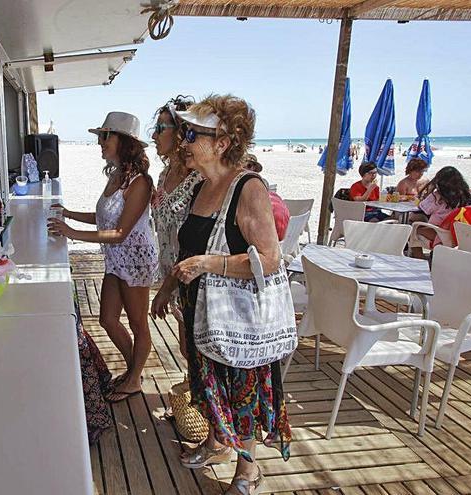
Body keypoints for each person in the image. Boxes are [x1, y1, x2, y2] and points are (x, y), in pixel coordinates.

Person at [151, 95, 290, 494]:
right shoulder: (202, 186)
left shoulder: (248, 188)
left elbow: (269, 260)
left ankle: (249, 473)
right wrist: (167, 288)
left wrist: (210, 264)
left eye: (193, 134)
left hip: (238, 321)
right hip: (201, 313)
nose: (184, 141)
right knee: (206, 382)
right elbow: (186, 249)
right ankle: (216, 443)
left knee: (239, 392)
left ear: (223, 143)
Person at [48, 111, 157, 403]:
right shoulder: (117, 176)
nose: (100, 143)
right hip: (115, 258)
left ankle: (134, 378)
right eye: (100, 137)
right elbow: (103, 219)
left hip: (135, 259)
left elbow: (120, 232)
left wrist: (70, 233)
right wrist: (68, 213)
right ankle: (135, 369)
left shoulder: (140, 183)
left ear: (124, 142)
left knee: (138, 324)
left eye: (105, 137)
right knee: (107, 319)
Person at [149, 96, 202, 360]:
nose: (154, 135)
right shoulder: (163, 176)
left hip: (193, 282)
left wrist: (167, 287)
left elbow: (196, 242)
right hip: (172, 277)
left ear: (181, 132)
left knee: (193, 350)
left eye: (160, 128)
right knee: (186, 348)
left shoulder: (198, 180)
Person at [409, 166, 471, 257]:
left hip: (440, 233)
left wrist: (430, 189)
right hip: (462, 234)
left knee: (412, 230)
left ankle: (419, 259)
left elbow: (423, 208)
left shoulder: (437, 197)